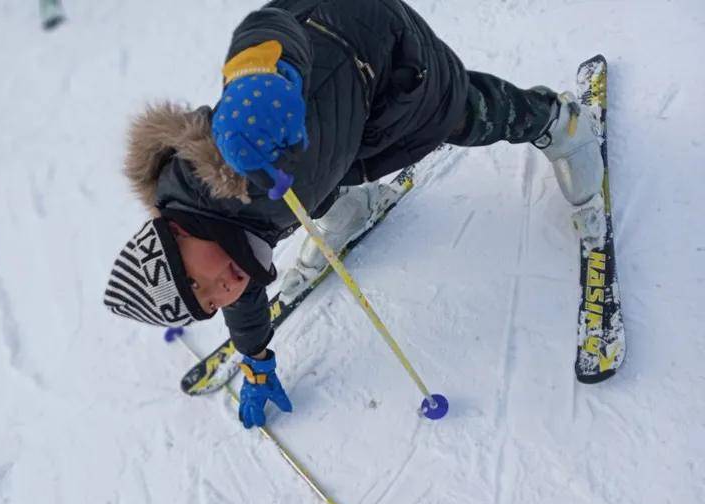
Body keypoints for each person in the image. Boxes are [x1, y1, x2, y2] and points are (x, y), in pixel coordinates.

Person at [103, 0, 605, 429]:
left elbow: (269, 27)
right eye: (208, 305)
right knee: (310, 181)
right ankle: (346, 211)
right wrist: (254, 357)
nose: (223, 293)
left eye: (198, 284)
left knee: (464, 111)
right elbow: (241, 283)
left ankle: (558, 123)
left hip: (378, 54)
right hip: (338, 129)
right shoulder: (220, 227)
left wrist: (260, 72)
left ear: (175, 231)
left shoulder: (241, 175)